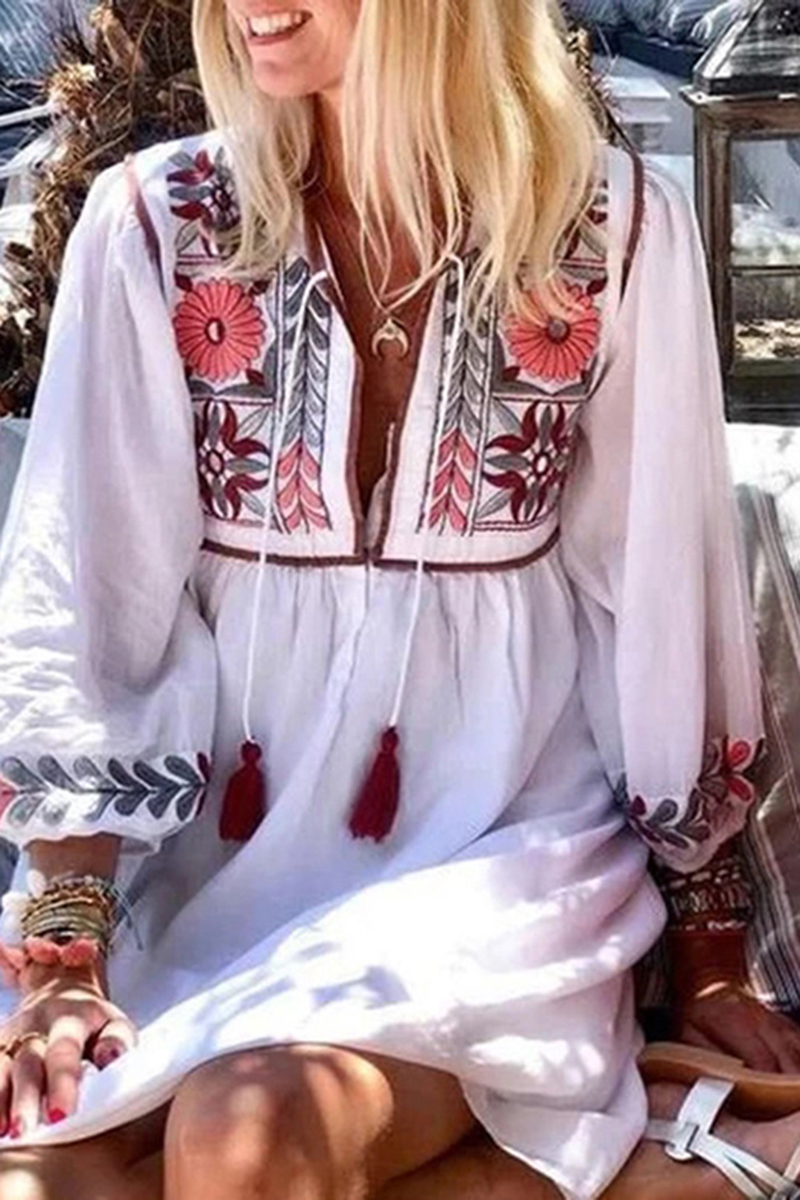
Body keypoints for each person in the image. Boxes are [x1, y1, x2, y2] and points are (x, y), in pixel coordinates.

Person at [0, 2, 799, 1198]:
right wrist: (67, 951)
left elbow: (655, 589)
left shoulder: (611, 227)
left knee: (245, 1136)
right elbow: (88, 598)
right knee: (56, 1178)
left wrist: (709, 953)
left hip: (497, 850)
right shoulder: (157, 223)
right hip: (201, 861)